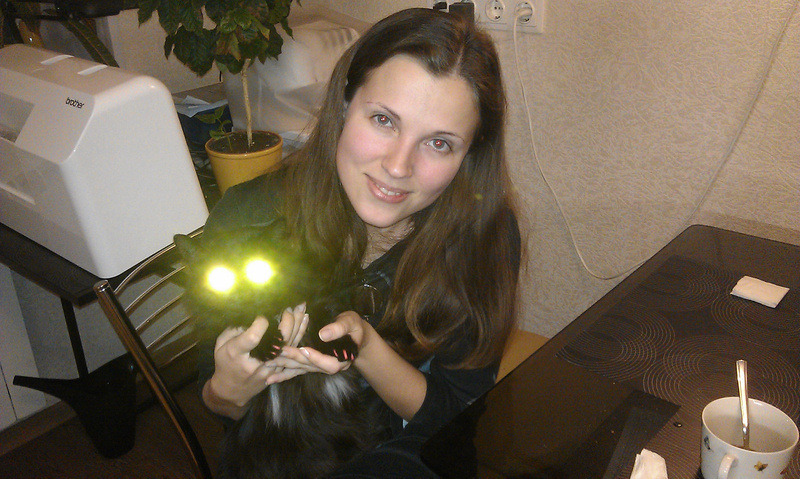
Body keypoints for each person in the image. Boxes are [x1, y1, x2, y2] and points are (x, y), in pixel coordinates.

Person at [198, 7, 521, 477]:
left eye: (439, 143)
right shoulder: (248, 220)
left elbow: (454, 419)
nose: (398, 166)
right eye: (384, 120)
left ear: (470, 154)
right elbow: (219, 406)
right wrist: (228, 391)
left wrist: (367, 347)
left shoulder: (485, 235)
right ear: (345, 103)